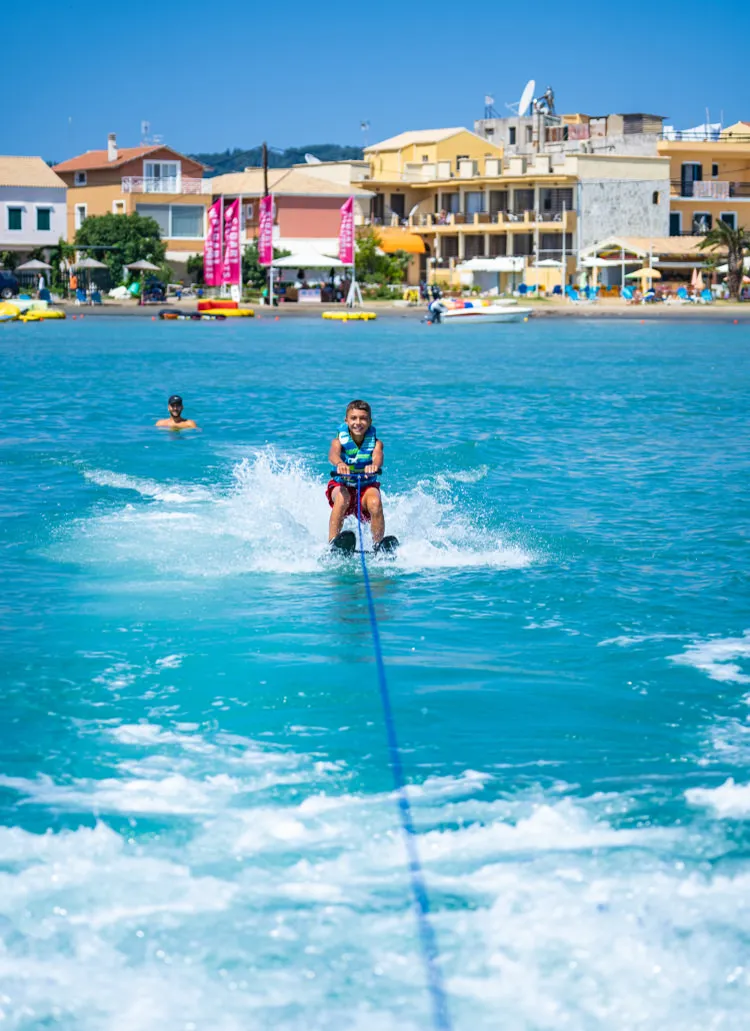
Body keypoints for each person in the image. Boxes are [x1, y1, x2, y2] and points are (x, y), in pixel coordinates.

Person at [326, 399, 385, 546]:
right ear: (346, 421)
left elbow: (378, 456)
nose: (358, 422)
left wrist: (374, 465)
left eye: (363, 418)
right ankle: (332, 543)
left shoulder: (377, 443)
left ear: (370, 421)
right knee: (342, 499)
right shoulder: (338, 442)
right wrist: (339, 463)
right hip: (342, 485)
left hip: (366, 487)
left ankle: (378, 545)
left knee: (375, 502)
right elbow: (333, 454)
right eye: (353, 418)